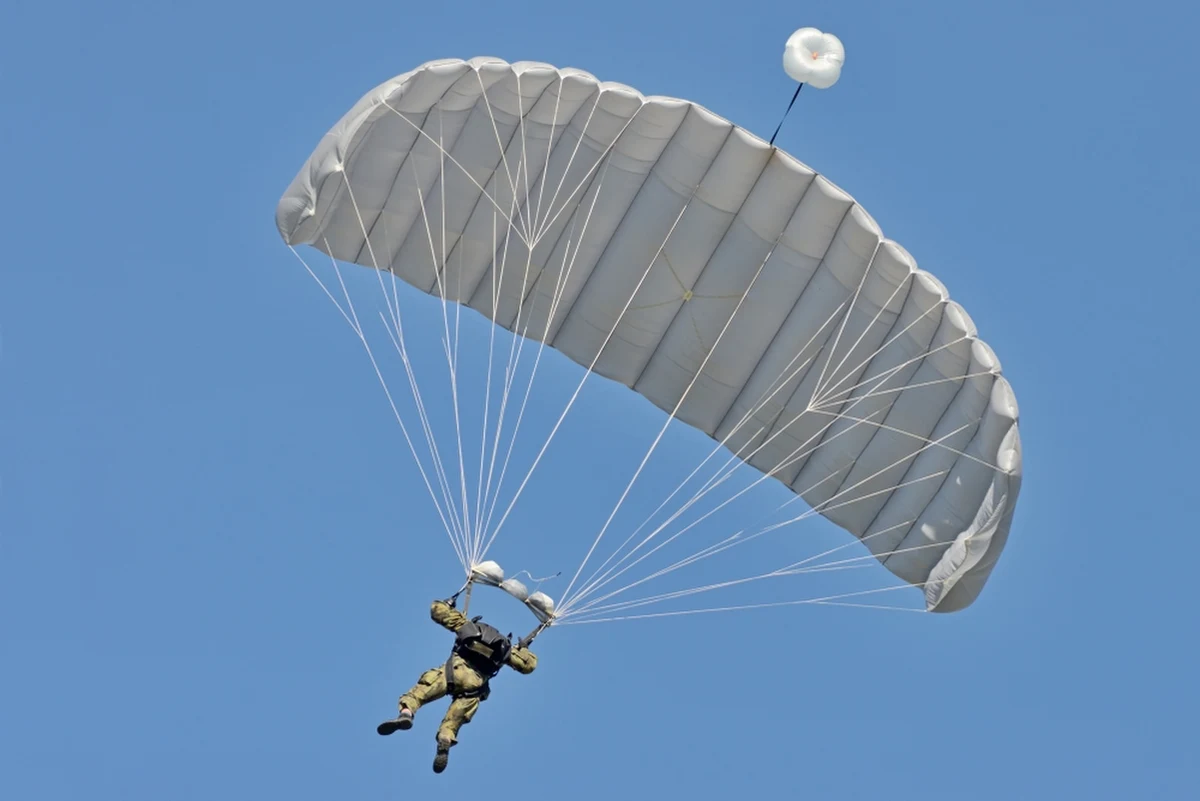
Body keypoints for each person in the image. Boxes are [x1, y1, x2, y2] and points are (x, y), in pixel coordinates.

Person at [377, 597, 538, 773]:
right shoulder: (506, 651)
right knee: (453, 721)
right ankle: (445, 738)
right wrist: (523, 649)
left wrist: (448, 604)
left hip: (452, 672)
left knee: (418, 694)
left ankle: (406, 714)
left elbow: (437, 611)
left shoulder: (467, 626)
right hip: (474, 686)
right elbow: (529, 666)